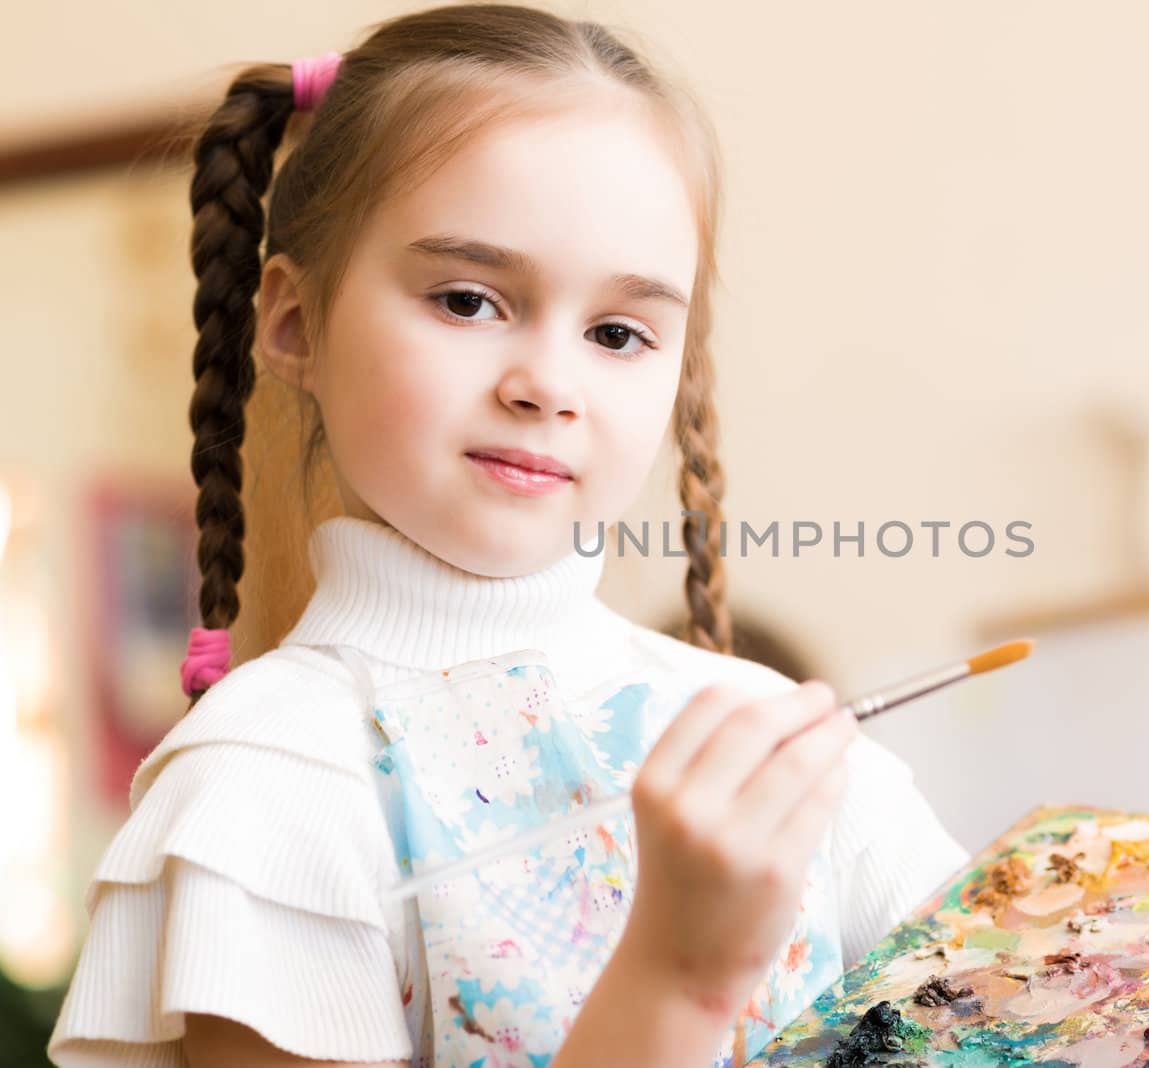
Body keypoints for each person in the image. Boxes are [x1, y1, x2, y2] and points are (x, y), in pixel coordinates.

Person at [47, 5, 968, 1067]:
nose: (547, 386)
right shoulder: (270, 782)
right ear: (294, 321)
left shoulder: (784, 750)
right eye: (470, 300)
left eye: (618, 333)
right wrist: (675, 978)